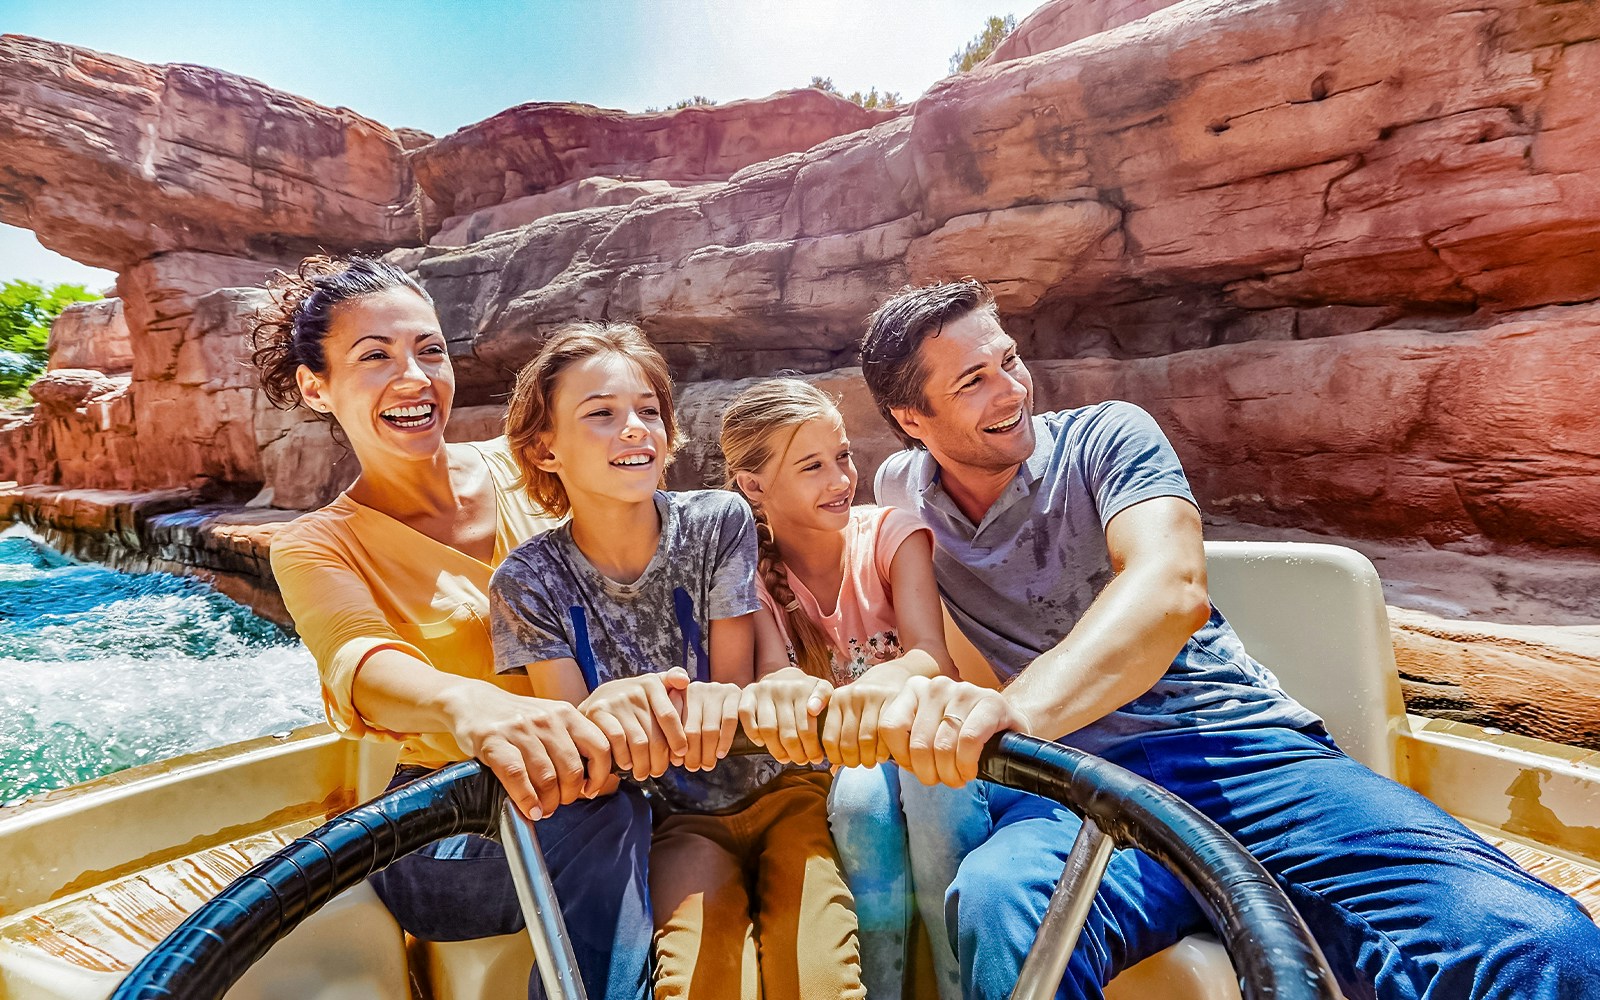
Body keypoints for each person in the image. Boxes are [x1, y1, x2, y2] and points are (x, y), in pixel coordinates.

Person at [857, 278, 1600, 1000]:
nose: (1013, 389)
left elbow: (1169, 589)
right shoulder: (899, 490)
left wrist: (1016, 713)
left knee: (1536, 943)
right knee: (996, 902)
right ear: (911, 419)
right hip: (1070, 788)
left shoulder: (1107, 436)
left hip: (1237, 755)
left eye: (1010, 359)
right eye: (973, 381)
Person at [257, 255, 651, 1000]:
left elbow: (655, 544)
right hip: (447, 821)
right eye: (375, 357)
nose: (414, 377)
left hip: (608, 761)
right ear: (317, 387)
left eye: (429, 350)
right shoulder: (317, 543)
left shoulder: (531, 466)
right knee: (607, 811)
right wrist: (474, 709)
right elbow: (364, 662)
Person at [486, 324, 863, 1000]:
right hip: (674, 819)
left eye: (648, 411)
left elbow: (734, 686)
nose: (634, 428)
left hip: (786, 792)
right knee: (699, 979)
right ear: (545, 449)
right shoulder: (528, 581)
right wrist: (606, 718)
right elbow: (584, 753)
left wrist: (746, 694)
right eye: (601, 413)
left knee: (822, 977)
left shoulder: (718, 521)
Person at [719, 376, 988, 1000]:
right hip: (838, 778)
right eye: (812, 466)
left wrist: (870, 690)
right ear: (753, 486)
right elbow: (774, 675)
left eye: (842, 456)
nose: (841, 478)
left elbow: (931, 655)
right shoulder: (748, 577)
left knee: (926, 785)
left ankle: (958, 985)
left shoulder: (892, 535)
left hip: (929, 754)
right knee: (864, 797)